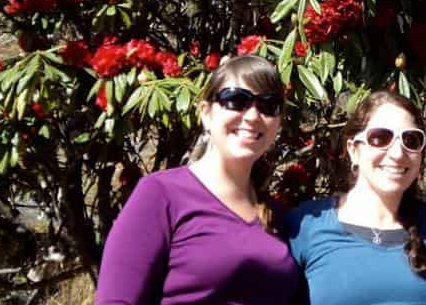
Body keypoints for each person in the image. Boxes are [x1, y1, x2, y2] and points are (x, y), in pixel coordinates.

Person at [95, 55, 301, 305]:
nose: (253, 116)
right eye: (236, 100)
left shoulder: (277, 216)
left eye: (269, 105)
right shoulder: (161, 194)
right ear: (205, 113)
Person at [285, 91, 426, 305]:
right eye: (380, 138)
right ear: (353, 150)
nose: (397, 153)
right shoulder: (307, 224)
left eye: (411, 140)